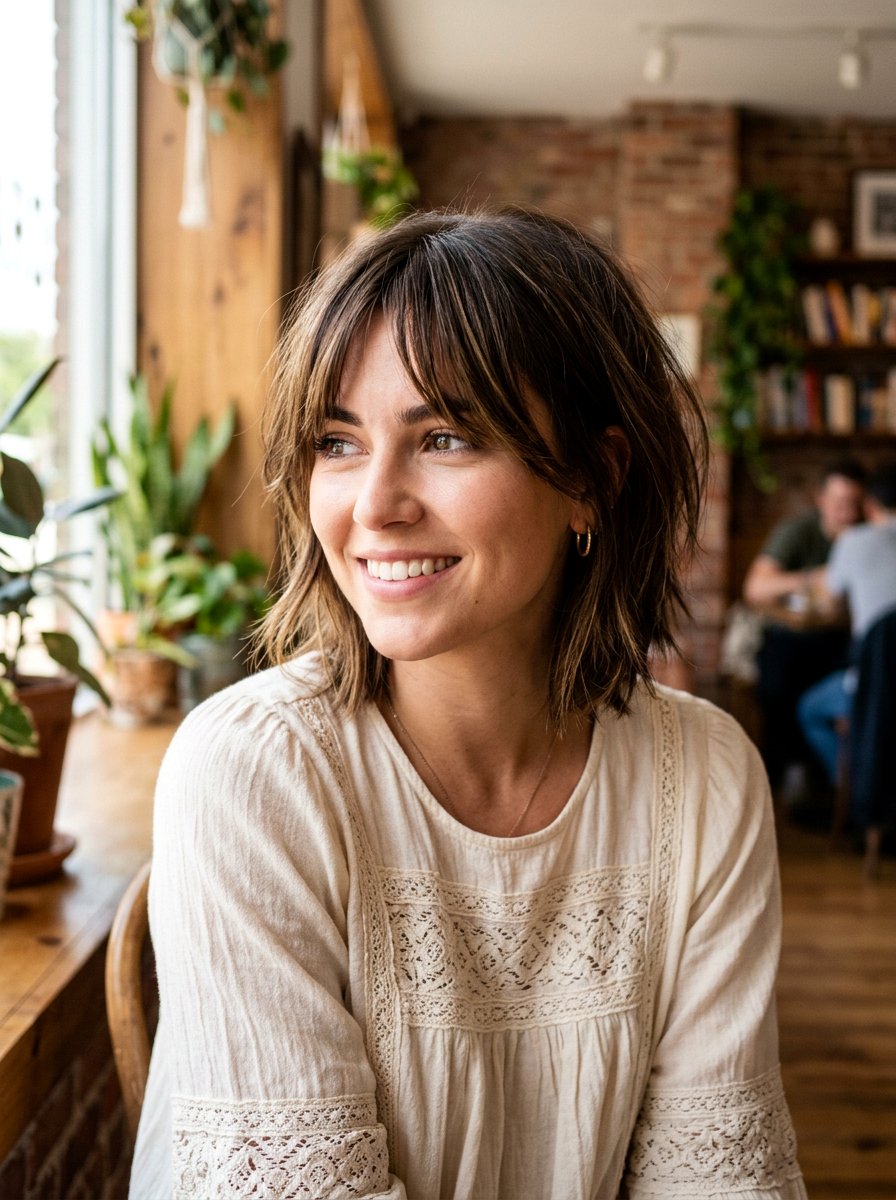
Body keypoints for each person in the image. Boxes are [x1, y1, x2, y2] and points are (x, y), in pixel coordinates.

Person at [130, 209, 806, 1199]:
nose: (372, 506)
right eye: (337, 441)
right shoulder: (251, 771)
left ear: (591, 479)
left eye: (443, 437)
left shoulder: (701, 778)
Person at [742, 457, 866, 797]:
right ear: (820, 499)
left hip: (841, 639)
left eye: (855, 505)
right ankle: (786, 775)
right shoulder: (798, 531)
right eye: (840, 504)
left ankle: (838, 787)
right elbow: (755, 589)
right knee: (777, 683)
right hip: (792, 636)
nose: (848, 514)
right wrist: (813, 579)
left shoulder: (867, 536)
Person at [798, 459, 896, 789]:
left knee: (810, 708)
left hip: (871, 684)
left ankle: (856, 787)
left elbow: (828, 605)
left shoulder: (853, 541)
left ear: (869, 505)